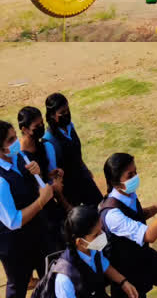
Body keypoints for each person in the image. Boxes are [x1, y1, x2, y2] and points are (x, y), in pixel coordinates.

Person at [99, 153, 157, 298]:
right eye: (130, 175)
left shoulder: (127, 193)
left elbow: (135, 214)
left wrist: (154, 209)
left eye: (135, 172)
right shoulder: (112, 215)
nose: (135, 177)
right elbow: (149, 235)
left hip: (143, 257)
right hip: (127, 272)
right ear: (116, 183)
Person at [0, 120, 55, 298]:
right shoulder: (0, 181)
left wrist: (37, 175)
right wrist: (41, 202)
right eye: (10, 140)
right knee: (18, 286)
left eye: (15, 136)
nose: (16, 142)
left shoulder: (21, 157)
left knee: (50, 276)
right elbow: (13, 221)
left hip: (38, 232)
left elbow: (37, 188)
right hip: (15, 245)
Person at [44, 205, 139, 298]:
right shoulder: (65, 279)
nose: (102, 234)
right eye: (96, 234)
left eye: (101, 229)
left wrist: (123, 282)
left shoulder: (92, 249)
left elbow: (104, 265)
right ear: (80, 242)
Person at [18, 106, 71, 251]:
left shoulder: (40, 145)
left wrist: (52, 175)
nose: (41, 127)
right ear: (24, 129)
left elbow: (43, 175)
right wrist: (53, 187)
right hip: (41, 210)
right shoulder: (22, 157)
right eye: (37, 126)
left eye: (42, 123)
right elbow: (30, 186)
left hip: (51, 201)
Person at [42, 93, 103, 207]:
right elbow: (53, 178)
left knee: (101, 209)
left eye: (67, 110)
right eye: (62, 113)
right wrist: (65, 204)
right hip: (69, 191)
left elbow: (76, 154)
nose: (66, 114)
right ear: (52, 115)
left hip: (84, 179)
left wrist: (85, 169)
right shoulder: (49, 142)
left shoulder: (71, 126)